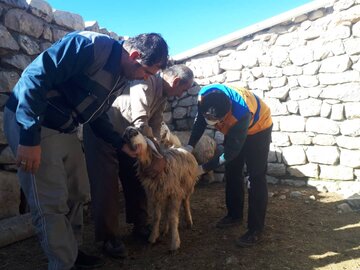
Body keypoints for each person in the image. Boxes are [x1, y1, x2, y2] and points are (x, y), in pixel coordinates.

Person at [3, 30, 168, 270]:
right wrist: (29, 137)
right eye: (146, 72)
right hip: (35, 121)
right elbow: (35, 77)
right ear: (134, 55)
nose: (144, 79)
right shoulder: (90, 46)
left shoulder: (122, 75)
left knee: (77, 193)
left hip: (65, 126)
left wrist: (119, 143)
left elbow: (97, 114)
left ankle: (71, 252)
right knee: (50, 202)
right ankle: (62, 263)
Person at [82, 64, 194, 258]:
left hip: (131, 138)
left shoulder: (163, 96)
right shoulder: (144, 84)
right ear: (175, 82)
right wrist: (157, 159)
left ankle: (140, 225)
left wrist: (158, 156)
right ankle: (109, 239)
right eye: (183, 90)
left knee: (137, 176)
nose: (181, 95)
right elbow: (141, 122)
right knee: (106, 183)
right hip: (104, 131)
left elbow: (156, 127)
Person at [185, 83, 272, 247]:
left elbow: (230, 153)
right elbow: (200, 122)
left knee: (255, 177)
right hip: (234, 128)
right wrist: (189, 146)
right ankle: (234, 215)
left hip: (258, 129)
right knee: (232, 170)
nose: (213, 124)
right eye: (209, 118)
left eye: (216, 121)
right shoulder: (204, 96)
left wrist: (201, 169)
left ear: (226, 114)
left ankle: (255, 229)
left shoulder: (241, 113)